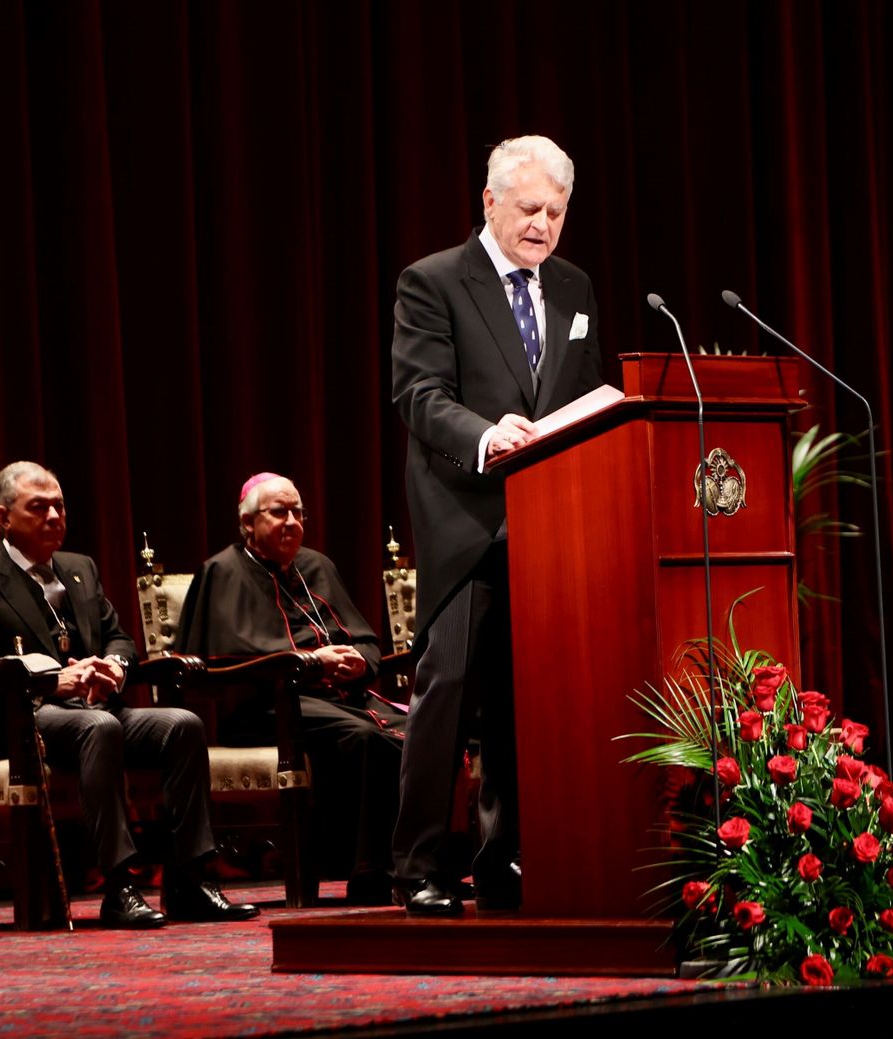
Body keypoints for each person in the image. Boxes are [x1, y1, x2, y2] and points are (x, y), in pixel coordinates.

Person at [390, 135, 604, 914]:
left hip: (551, 524)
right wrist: (487, 436)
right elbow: (419, 395)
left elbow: (582, 392)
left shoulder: (574, 287)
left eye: (557, 211)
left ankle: (504, 858)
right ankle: (417, 862)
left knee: (528, 697)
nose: (543, 225)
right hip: (467, 518)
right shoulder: (434, 281)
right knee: (448, 688)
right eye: (529, 208)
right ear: (490, 201)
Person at [0, 461, 258, 927]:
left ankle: (190, 881)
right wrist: (49, 677)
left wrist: (115, 666)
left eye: (59, 506)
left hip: (94, 705)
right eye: (38, 507)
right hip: (24, 716)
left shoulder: (79, 568)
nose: (54, 516)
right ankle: (119, 885)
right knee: (99, 727)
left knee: (181, 725)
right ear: (4, 518)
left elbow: (119, 637)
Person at [174, 473, 404, 905]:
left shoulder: (317, 566)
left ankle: (419, 866)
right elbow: (221, 660)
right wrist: (314, 662)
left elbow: (364, 638)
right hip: (263, 708)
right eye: (279, 512)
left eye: (298, 512)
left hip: (338, 701)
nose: (292, 522)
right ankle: (370, 871)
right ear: (248, 522)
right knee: (364, 738)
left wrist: (359, 661)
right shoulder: (222, 571)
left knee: (422, 730)